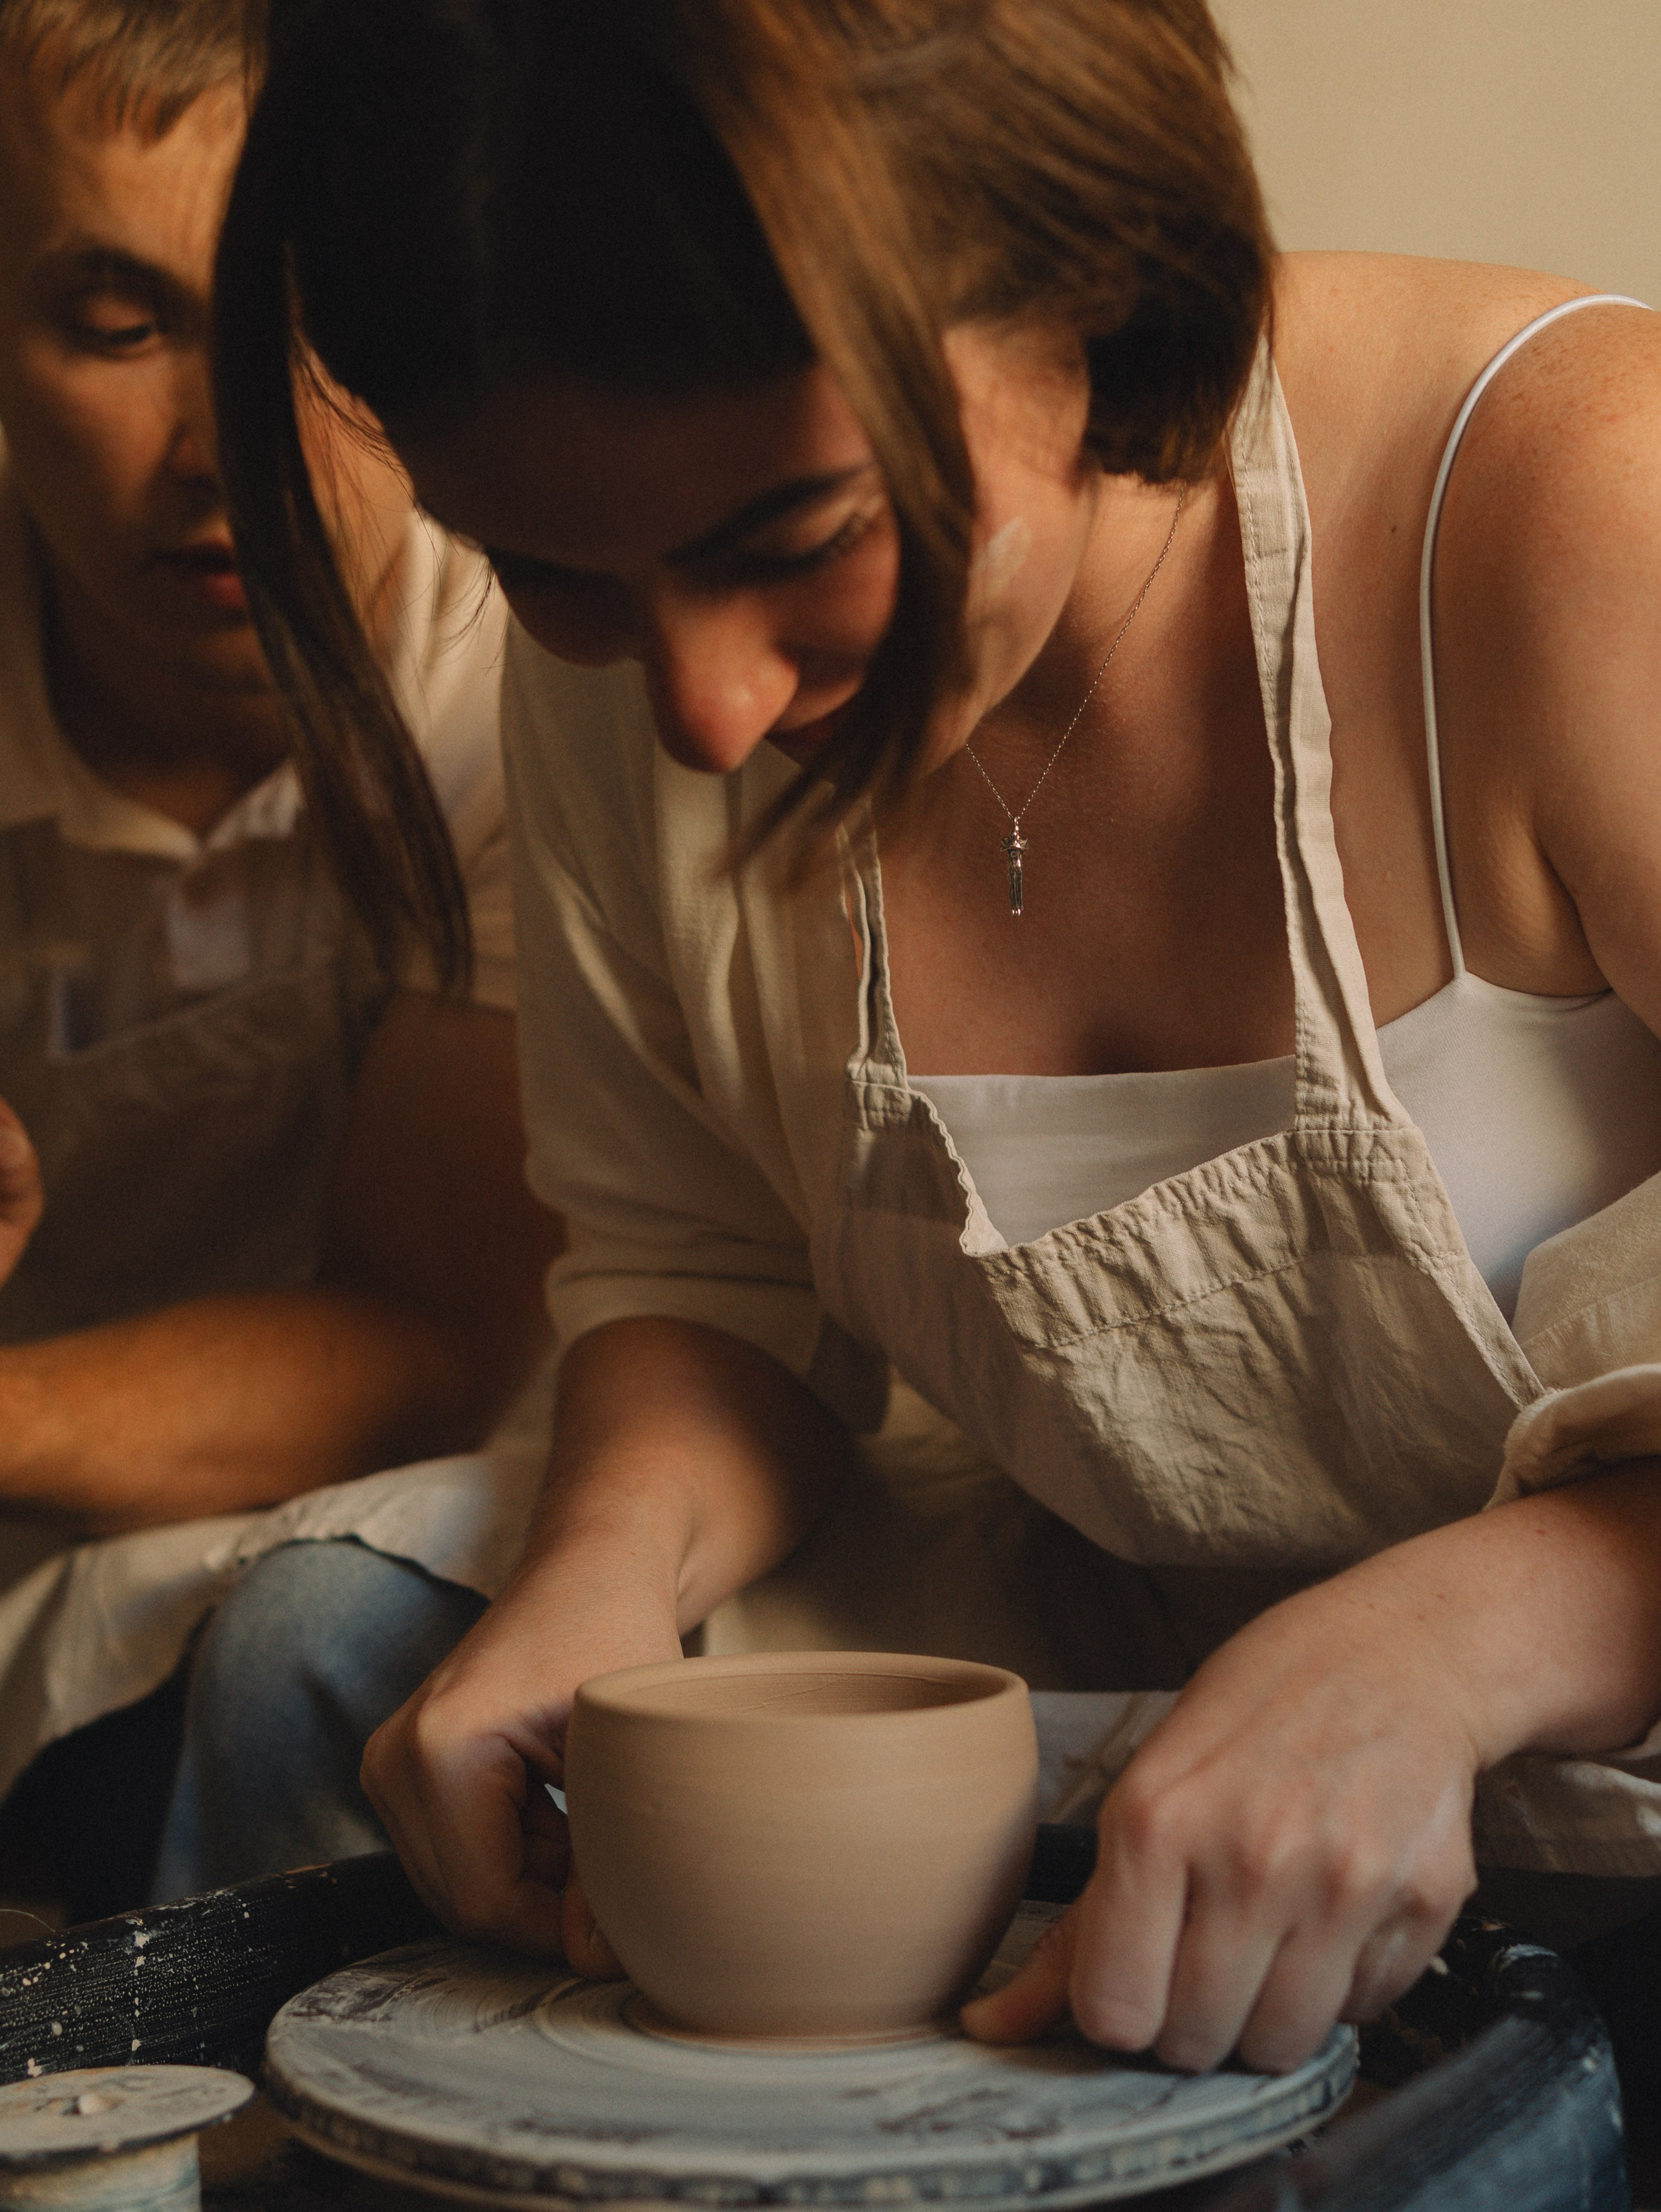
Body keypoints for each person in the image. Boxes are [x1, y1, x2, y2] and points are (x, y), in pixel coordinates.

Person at [210, 0, 1661, 2082]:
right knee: (317, 1651)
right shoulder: (648, 658)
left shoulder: (1586, 511)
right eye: (551, 575)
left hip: (1609, 1761)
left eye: (794, 542)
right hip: (1159, 1703)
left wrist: (1475, 1633)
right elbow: (711, 1278)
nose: (703, 710)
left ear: (1097, 278)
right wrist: (604, 1574)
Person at [0, 0, 564, 1917]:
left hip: (418, 1540)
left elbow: (425, 1335)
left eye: (314, 319)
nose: (219, 436)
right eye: (121, 320)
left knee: (300, 1647)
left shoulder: (543, 666)